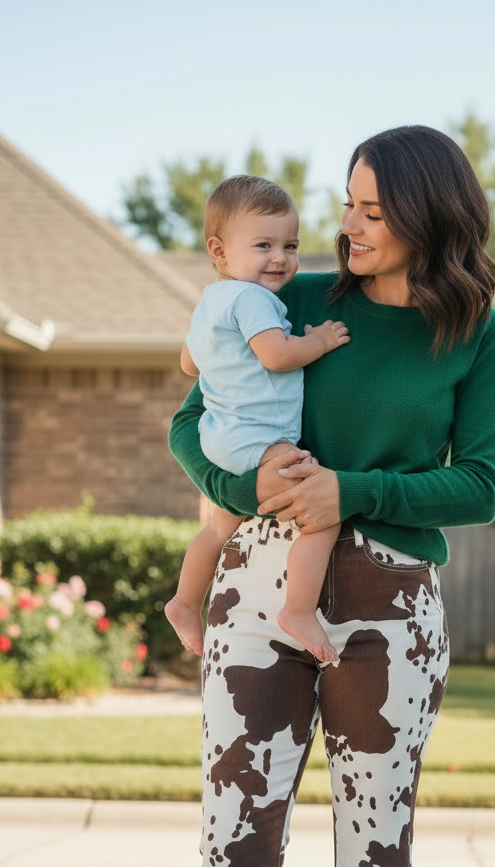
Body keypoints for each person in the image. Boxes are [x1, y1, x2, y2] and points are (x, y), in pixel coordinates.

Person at [158, 125, 495, 867]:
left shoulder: (476, 331)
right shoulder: (290, 297)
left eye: (369, 208)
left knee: (375, 866)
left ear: (425, 212)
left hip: (391, 609)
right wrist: (251, 472)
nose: (347, 226)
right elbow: (189, 421)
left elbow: (480, 485)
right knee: (236, 849)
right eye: (344, 205)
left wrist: (351, 490)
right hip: (257, 588)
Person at [165, 175, 350, 664]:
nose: (280, 258)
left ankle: (185, 603)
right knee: (321, 512)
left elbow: (189, 364)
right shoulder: (253, 300)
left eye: (290, 245)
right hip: (259, 439)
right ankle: (298, 609)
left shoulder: (210, 303)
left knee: (217, 528)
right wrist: (319, 342)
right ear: (220, 252)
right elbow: (275, 356)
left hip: (222, 435)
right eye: (263, 245)